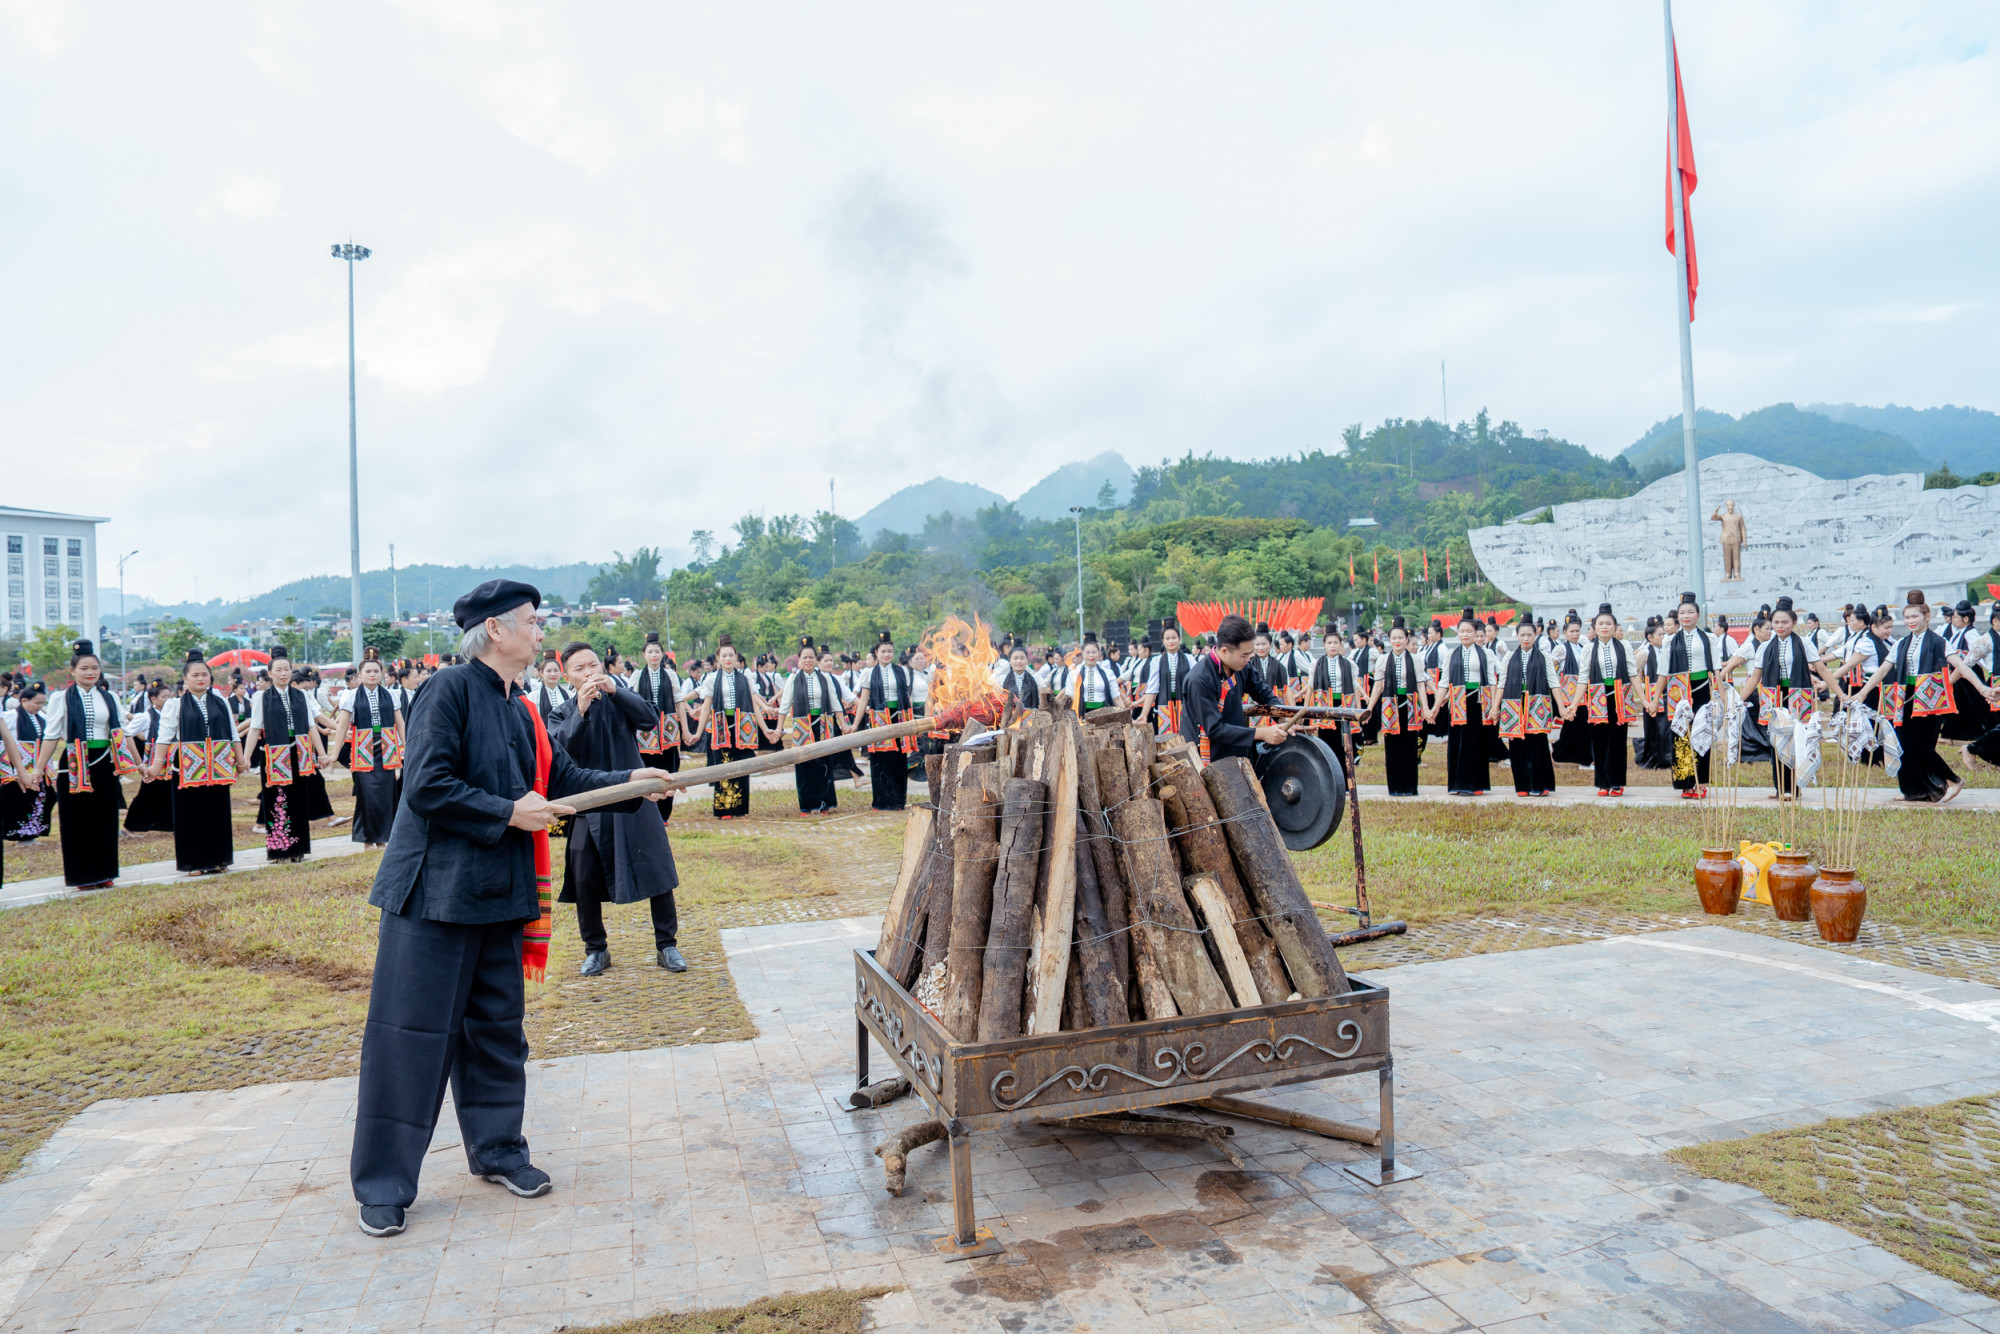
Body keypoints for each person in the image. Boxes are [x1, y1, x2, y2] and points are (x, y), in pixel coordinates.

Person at [350, 581, 673, 1238]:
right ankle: (383, 1184)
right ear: (494, 630)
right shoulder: (448, 691)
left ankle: (498, 1151)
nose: (540, 631)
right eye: (531, 621)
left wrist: (630, 783)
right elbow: (427, 786)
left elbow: (559, 786)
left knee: (497, 1034)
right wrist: (506, 811)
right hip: (433, 899)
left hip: (499, 895)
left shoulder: (522, 707)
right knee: (409, 1041)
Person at [547, 639, 685, 976]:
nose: (589, 672)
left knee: (656, 869)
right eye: (579, 669)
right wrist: (579, 709)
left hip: (635, 795)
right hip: (589, 803)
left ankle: (667, 945)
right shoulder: (561, 712)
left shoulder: (619, 698)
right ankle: (596, 949)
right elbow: (559, 751)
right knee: (583, 878)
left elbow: (650, 719)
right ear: (569, 677)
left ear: (603, 667)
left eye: (593, 665)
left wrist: (615, 691)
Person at [1857, 591, 1996, 804]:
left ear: (1927, 617)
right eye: (1907, 617)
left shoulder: (1939, 642)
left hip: (1929, 699)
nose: (1911, 621)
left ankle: (1953, 779)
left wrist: (1981, 688)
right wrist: (1863, 691)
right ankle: (1915, 791)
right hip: (1905, 699)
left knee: (1918, 745)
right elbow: (1883, 670)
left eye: (1915, 617)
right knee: (1903, 745)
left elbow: (1961, 665)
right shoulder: (1901, 643)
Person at [34, 639, 133, 889]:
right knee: (77, 819)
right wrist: (38, 768)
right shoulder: (61, 698)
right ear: (73, 671)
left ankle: (105, 871)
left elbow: (123, 732)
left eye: (94, 668)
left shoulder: (109, 696)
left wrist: (140, 765)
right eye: (84, 669)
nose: (90, 673)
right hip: (74, 764)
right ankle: (83, 875)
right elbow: (51, 734)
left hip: (104, 764)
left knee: (104, 818)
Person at [143, 649, 244, 874]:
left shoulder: (220, 701)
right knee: (191, 814)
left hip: (218, 767)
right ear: (186, 679)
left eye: (204, 675)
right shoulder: (174, 705)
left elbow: (232, 733)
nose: (200, 679)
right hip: (188, 769)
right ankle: (195, 863)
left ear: (210, 677)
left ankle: (219, 859)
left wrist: (240, 759)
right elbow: (164, 737)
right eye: (195, 675)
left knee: (217, 812)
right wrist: (156, 765)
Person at [243, 645, 331, 863]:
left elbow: (312, 727)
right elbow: (254, 729)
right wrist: (245, 757)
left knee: (298, 799)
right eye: (279, 670)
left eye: (287, 669)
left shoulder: (301, 696)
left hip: (299, 752)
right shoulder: (261, 698)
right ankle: (279, 850)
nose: (283, 674)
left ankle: (298, 848)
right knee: (276, 799)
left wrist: (321, 754)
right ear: (270, 673)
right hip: (274, 755)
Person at [1739, 597, 1823, 801]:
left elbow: (1821, 668)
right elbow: (1756, 676)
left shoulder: (1803, 644)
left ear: (1793, 623)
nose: (1779, 626)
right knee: (1776, 742)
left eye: (1784, 622)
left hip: (1797, 698)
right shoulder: (1765, 647)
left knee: (1795, 741)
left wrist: (1839, 692)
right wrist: (1739, 700)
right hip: (1773, 699)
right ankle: (1780, 788)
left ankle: (1794, 788)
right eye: (1775, 623)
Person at [1181, 614, 1290, 763]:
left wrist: (1284, 720)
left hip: (1236, 747)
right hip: (1206, 754)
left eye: (1250, 653)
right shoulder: (1199, 679)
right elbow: (1214, 729)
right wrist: (1262, 733)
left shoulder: (1242, 666)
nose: (1249, 659)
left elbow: (1263, 693)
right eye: (1244, 655)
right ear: (1224, 651)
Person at [328, 648, 407, 848]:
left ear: (382, 674)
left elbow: (400, 724)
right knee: (366, 795)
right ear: (360, 675)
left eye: (376, 671)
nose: (372, 675)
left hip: (387, 750)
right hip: (363, 751)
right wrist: (334, 754)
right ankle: (367, 839)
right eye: (368, 672)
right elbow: (343, 726)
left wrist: (407, 747)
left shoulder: (392, 695)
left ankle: (382, 838)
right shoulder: (350, 696)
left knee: (386, 794)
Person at [692, 635, 770, 818]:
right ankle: (724, 809)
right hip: (722, 728)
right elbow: (706, 707)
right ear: (718, 659)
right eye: (724, 656)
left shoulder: (745, 677)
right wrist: (698, 733)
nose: (728, 659)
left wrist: (765, 728)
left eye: (731, 656)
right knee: (724, 766)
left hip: (743, 727)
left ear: (736, 658)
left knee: (742, 767)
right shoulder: (711, 679)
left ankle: (740, 808)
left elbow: (753, 705)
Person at [1663, 593, 1728, 800]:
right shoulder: (1670, 641)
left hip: (1701, 689)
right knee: (1680, 736)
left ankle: (1699, 782)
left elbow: (1717, 668)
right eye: (1682, 612)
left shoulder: (1709, 638)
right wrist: (1655, 699)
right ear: (1677, 617)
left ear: (1698, 615)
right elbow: (1662, 672)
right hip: (1678, 690)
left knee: (1701, 732)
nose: (1686, 616)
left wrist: (1722, 694)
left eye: (1691, 612)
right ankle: (1685, 784)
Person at [780, 637, 851, 814]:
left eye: (811, 657)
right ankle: (807, 805)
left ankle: (824, 803)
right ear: (799, 660)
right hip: (802, 726)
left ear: (816, 659)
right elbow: (784, 705)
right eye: (804, 657)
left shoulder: (825, 678)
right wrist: (778, 729)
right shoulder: (793, 679)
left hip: (823, 724)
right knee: (804, 764)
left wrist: (843, 724)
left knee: (823, 764)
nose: (808, 660)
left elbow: (835, 704)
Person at [851, 632, 918, 812]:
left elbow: (907, 697)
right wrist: (855, 725)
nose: (887, 654)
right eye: (883, 651)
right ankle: (880, 801)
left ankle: (897, 801)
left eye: (890, 651)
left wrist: (912, 723)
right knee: (879, 761)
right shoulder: (868, 673)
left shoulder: (902, 671)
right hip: (878, 719)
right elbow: (864, 700)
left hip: (898, 717)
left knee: (898, 760)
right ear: (876, 653)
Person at [1577, 604, 1637, 796]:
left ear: (1614, 626)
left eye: (1608, 623)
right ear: (1594, 626)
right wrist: (1572, 704)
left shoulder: (1623, 646)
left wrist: (1645, 699)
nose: (1604, 627)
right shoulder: (1588, 648)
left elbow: (1633, 673)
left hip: (1619, 698)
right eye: (1600, 623)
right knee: (1600, 740)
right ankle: (1603, 783)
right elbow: (1583, 678)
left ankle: (1617, 783)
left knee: (1618, 741)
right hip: (1597, 699)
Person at [1365, 619, 1430, 796]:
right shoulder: (1382, 660)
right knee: (1392, 747)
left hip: (1410, 706)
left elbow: (1421, 685)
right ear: (1389, 639)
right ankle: (1394, 787)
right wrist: (1369, 708)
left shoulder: (1416, 659)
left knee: (1409, 746)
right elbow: (1377, 686)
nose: (1397, 641)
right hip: (1389, 707)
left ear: (1406, 639)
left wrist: (1425, 708)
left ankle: (1409, 787)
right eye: (1393, 638)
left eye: (1400, 637)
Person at [1436, 609, 1498, 796]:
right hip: (1457, 703)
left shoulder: (1485, 654)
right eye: (1462, 631)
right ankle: (1458, 784)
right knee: (1458, 742)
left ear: (1476, 633)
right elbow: (1444, 682)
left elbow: (1492, 681)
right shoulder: (1451, 655)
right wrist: (1435, 706)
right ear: (1457, 633)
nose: (1465, 635)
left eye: (1469, 631)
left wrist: (1494, 707)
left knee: (1476, 742)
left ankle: (1476, 784)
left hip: (1478, 701)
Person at [1497, 618, 1560, 795]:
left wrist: (1562, 708)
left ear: (1536, 635)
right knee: (1516, 745)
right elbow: (1502, 684)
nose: (1526, 638)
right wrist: (1495, 708)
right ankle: (1522, 786)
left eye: (1529, 635)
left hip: (1536, 703)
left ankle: (1540, 785)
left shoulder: (1544, 657)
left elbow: (1553, 683)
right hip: (1514, 704)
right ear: (1516, 636)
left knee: (1537, 744)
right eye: (1522, 635)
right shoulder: (1509, 657)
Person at [627, 631, 684, 820]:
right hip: (645, 733)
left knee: (669, 770)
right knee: (646, 770)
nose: (654, 655)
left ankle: (665, 814)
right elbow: (630, 703)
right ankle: (648, 814)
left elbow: (679, 703)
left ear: (662, 654)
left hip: (668, 730)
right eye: (650, 652)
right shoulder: (636, 676)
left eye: (657, 651)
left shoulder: (670, 675)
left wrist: (686, 730)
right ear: (644, 655)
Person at [123, 682, 177, 834]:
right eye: (164, 697)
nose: (168, 699)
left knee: (168, 793)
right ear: (153, 699)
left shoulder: (173, 714)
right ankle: (129, 827)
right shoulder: (145, 717)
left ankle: (166, 825)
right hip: (154, 762)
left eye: (169, 696)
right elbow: (127, 734)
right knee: (146, 794)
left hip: (171, 761)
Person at [2, 685, 50, 843]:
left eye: (42, 703)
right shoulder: (9, 717)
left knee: (46, 796)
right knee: (20, 799)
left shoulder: (41, 718)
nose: (39, 706)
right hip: (15, 766)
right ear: (23, 700)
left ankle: (32, 832)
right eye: (37, 702)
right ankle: (22, 835)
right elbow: (5, 741)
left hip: (36, 767)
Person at [1549, 614, 1592, 769]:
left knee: (1580, 725)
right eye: (1572, 631)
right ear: (1565, 632)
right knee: (1573, 725)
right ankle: (1563, 751)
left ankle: (1573, 754)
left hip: (1583, 692)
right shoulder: (1561, 649)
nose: (1575, 634)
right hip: (1568, 692)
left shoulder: (1582, 647)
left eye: (1577, 631)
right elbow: (1551, 667)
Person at [1139, 620, 1194, 736]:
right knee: (1167, 740)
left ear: (1179, 639)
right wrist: (1144, 714)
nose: (1171, 641)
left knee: (1187, 738)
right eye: (1167, 638)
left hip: (1186, 705)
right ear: (1163, 641)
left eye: (1174, 638)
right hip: (1165, 707)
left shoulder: (1189, 659)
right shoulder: (1157, 661)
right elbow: (1152, 690)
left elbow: (1195, 685)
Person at [1058, 632, 1125, 715]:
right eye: (1088, 652)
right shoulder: (1074, 673)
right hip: (1080, 715)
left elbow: (1117, 698)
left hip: (1103, 715)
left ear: (1099, 654)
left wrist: (1125, 715)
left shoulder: (1108, 673)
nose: (1091, 655)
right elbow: (1069, 697)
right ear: (1082, 654)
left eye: (1094, 652)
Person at [526, 651, 573, 723]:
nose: (553, 674)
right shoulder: (533, 696)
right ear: (542, 673)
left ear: (560, 673)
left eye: (556, 670)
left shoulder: (569, 694)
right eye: (548, 671)